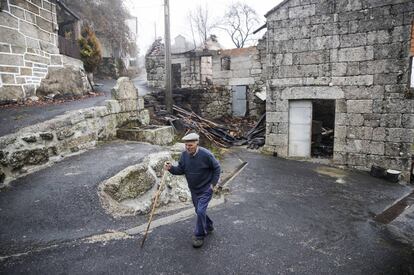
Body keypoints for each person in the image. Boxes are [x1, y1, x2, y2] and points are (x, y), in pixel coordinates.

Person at [164, 132, 221, 248]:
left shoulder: (206, 155)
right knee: (198, 211)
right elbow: (180, 170)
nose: (188, 147)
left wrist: (212, 185)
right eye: (186, 145)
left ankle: (199, 235)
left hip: (206, 188)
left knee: (200, 211)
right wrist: (171, 168)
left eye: (190, 145)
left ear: (196, 143)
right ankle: (209, 225)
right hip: (194, 189)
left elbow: (217, 168)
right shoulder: (184, 155)